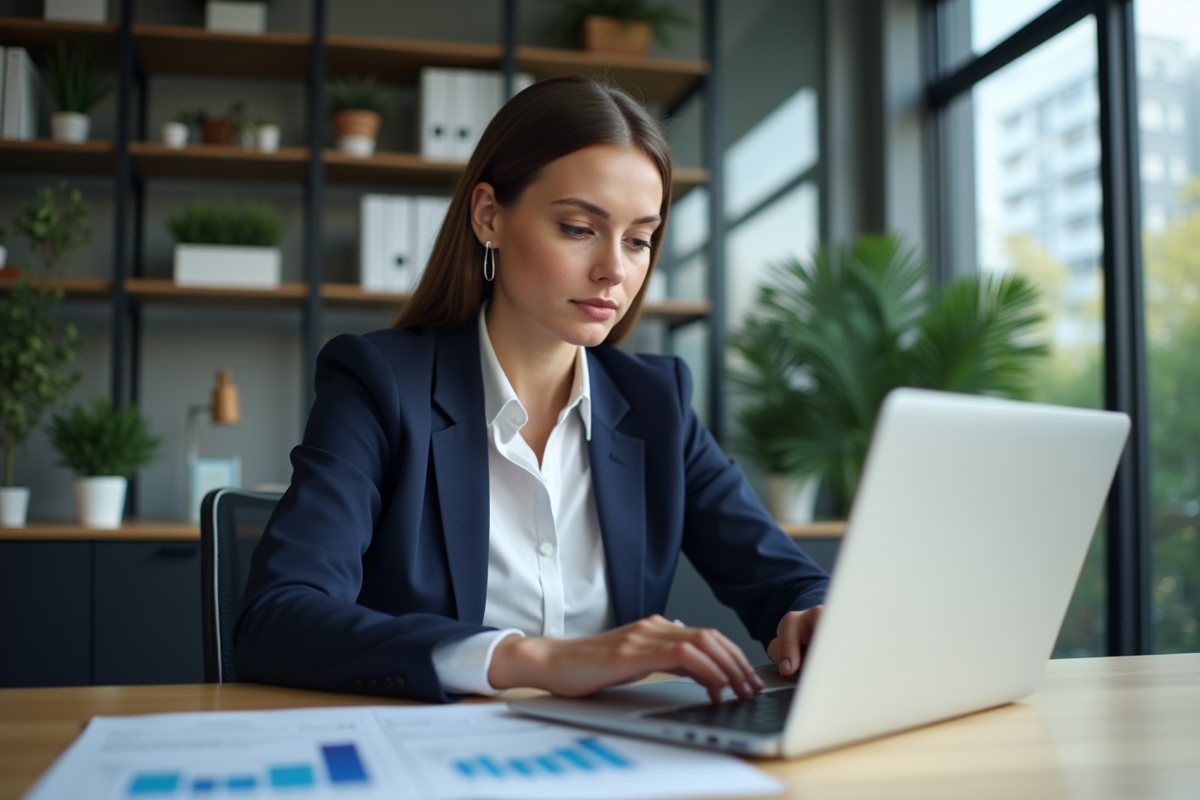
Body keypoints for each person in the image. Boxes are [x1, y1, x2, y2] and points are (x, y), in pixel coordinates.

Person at [234, 76, 829, 705]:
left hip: (619, 755)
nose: (615, 270)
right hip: (435, 755)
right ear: (489, 214)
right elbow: (277, 619)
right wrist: (528, 659)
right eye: (578, 228)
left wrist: (809, 612)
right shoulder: (381, 384)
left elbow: (784, 580)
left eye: (639, 239)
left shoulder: (658, 402)